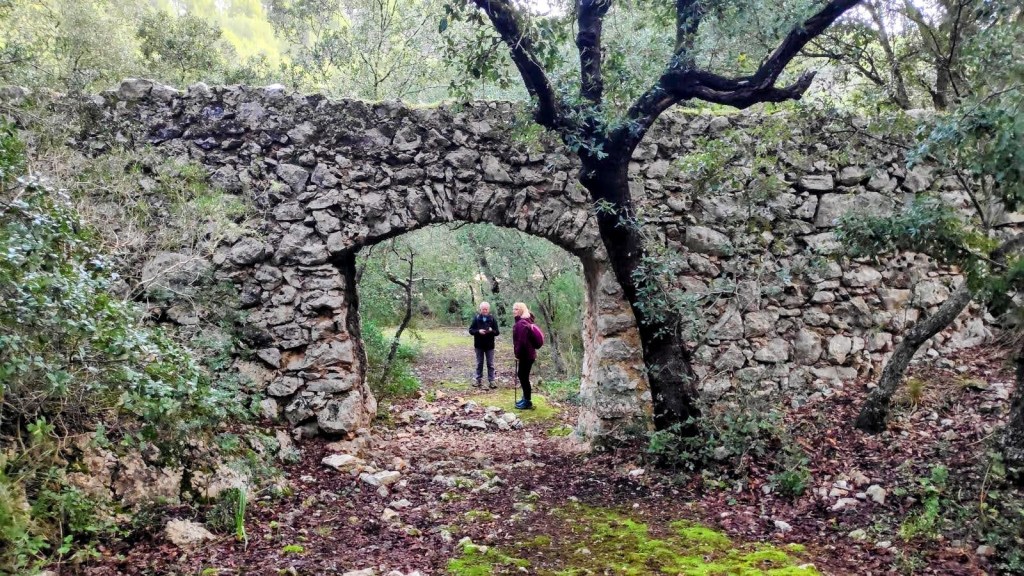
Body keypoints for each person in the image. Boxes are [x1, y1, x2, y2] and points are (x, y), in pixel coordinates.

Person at [511, 302, 538, 410]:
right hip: (528, 354)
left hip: (526, 355)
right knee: (523, 376)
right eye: (513, 309)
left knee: (523, 377)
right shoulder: (524, 322)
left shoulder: (521, 323)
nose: (514, 311)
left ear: (522, 310)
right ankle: (525, 398)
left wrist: (517, 354)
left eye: (516, 309)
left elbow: (521, 342)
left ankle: (527, 401)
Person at [468, 301, 500, 388]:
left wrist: (491, 331)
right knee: (479, 363)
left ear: (488, 309)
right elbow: (471, 330)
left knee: (490, 364)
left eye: (486, 309)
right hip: (479, 345)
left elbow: (497, 332)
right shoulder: (476, 318)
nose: (485, 311)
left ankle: (492, 381)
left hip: (490, 346)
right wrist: (478, 331)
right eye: (483, 309)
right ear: (480, 309)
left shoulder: (492, 319)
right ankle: (478, 380)